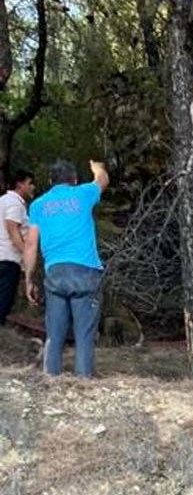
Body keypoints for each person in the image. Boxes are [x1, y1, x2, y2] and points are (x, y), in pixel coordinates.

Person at [24, 159, 108, 377]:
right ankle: (83, 381)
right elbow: (103, 181)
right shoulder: (83, 194)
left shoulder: (38, 205)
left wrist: (28, 279)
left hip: (55, 273)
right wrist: (97, 169)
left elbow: (31, 244)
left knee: (54, 333)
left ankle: (51, 379)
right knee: (84, 335)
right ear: (75, 180)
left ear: (51, 182)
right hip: (85, 271)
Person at [0, 169, 35, 325]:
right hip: (7, 260)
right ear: (20, 184)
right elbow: (13, 231)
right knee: (3, 302)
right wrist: (28, 255)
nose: (33, 187)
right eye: (30, 183)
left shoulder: (3, 201)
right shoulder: (14, 203)